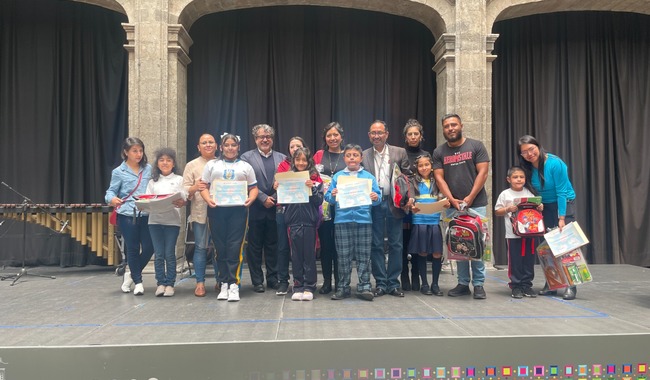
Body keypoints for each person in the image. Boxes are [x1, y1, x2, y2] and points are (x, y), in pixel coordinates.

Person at [432, 113, 490, 299]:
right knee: (459, 246)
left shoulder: (476, 146)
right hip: (452, 206)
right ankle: (463, 283)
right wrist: (452, 199)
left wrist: (470, 197)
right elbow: (439, 177)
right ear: (443, 129)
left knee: (478, 244)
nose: (451, 128)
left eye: (454, 125)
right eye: (447, 126)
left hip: (476, 204)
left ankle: (479, 284)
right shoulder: (439, 152)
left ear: (461, 125)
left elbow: (483, 172)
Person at [518, 135, 578, 300]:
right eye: (525, 152)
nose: (529, 154)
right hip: (543, 207)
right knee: (547, 247)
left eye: (531, 149)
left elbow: (561, 192)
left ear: (538, 146)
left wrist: (561, 218)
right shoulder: (527, 168)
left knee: (565, 246)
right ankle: (553, 283)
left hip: (563, 203)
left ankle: (571, 285)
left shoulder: (555, 163)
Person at [200, 133, 258, 302]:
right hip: (217, 210)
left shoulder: (245, 166)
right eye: (227, 145)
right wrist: (207, 199)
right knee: (220, 248)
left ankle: (234, 284)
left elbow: (253, 187)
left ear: (238, 147)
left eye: (234, 145)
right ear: (221, 147)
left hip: (238, 211)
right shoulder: (212, 165)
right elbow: (204, 186)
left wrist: (251, 198)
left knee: (235, 247)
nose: (230, 148)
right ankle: (223, 282)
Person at [324, 144, 382, 301]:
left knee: (364, 256)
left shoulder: (368, 177)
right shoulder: (337, 177)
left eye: (355, 155)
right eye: (348, 155)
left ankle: (364, 287)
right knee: (343, 256)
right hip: (342, 220)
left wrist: (376, 197)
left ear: (361, 158)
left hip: (364, 220)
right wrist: (333, 194)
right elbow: (328, 198)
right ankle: (343, 287)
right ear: (344, 158)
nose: (351, 158)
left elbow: (378, 198)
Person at [362, 120, 411, 298]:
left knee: (396, 244)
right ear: (369, 135)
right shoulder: (363, 154)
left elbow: (408, 177)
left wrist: (409, 197)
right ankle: (381, 283)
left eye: (380, 132)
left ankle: (393, 283)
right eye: (373, 133)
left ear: (386, 134)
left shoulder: (399, 152)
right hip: (374, 204)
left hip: (394, 202)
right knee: (375, 244)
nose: (376, 136)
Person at [240, 124, 287, 294]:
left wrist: (273, 198)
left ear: (272, 139)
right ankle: (257, 281)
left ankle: (273, 279)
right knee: (254, 247)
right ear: (255, 139)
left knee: (273, 246)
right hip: (255, 208)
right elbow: (245, 181)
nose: (265, 139)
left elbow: (286, 181)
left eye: (268, 136)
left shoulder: (283, 158)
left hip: (276, 208)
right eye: (261, 137)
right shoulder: (246, 158)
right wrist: (262, 198)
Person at [105, 137, 153, 296]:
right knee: (132, 248)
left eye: (140, 150)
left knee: (149, 247)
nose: (139, 154)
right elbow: (110, 192)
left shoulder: (149, 169)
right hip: (126, 214)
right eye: (134, 151)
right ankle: (138, 282)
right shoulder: (119, 172)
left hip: (146, 213)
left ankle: (131, 274)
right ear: (126, 152)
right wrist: (111, 199)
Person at [402, 154, 449, 296]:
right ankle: (425, 284)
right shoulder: (412, 182)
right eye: (421, 165)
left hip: (434, 221)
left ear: (432, 166)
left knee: (437, 253)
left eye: (427, 165)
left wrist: (445, 203)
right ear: (416, 167)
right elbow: (409, 203)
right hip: (420, 221)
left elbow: (443, 199)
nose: (424, 168)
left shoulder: (438, 182)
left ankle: (435, 284)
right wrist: (411, 207)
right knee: (422, 252)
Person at [282, 147, 323, 301]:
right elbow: (282, 201)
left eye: (304, 160)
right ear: (293, 161)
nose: (300, 162)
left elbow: (319, 201)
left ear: (309, 161)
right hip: (293, 223)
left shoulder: (315, 179)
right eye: (297, 160)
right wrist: (278, 189)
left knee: (309, 256)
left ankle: (309, 286)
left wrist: (311, 187)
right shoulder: (287, 178)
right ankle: (298, 286)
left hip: (309, 224)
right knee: (296, 256)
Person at [494, 166, 542, 299]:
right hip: (513, 234)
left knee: (528, 259)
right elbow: (497, 211)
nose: (519, 179)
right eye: (515, 177)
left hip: (530, 232)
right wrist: (508, 208)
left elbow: (536, 210)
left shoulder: (529, 192)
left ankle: (527, 285)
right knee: (515, 260)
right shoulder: (505, 194)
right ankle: (516, 286)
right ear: (508, 179)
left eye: (521, 177)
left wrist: (540, 207)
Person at [145, 148, 186, 297]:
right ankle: (160, 283)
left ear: (173, 163)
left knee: (170, 253)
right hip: (154, 221)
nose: (165, 163)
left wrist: (181, 201)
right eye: (162, 160)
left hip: (172, 222)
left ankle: (170, 283)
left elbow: (184, 198)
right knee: (159, 254)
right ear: (157, 163)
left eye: (168, 160)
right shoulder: (152, 181)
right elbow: (147, 200)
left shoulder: (179, 179)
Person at [182, 133, 219, 297]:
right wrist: (195, 187)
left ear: (217, 145)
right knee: (200, 248)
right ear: (198, 147)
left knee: (220, 249)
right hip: (200, 212)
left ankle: (221, 281)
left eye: (211, 142)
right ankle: (200, 283)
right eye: (204, 142)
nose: (208, 145)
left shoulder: (223, 163)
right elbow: (183, 191)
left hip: (221, 212)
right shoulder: (192, 165)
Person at [313, 122, 346, 294]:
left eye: (335, 135)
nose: (332, 138)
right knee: (326, 246)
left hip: (343, 207)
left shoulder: (348, 154)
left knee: (340, 246)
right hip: (324, 207)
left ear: (341, 136)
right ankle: (326, 281)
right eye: (329, 135)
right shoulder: (319, 155)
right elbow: (311, 175)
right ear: (325, 138)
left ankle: (341, 281)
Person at [274, 136, 308, 296]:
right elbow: (279, 186)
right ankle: (283, 281)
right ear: (289, 150)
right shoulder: (283, 165)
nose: (295, 149)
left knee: (302, 248)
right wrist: (277, 185)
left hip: (304, 213)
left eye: (298, 146)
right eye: (292, 146)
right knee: (283, 247)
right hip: (284, 210)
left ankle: (303, 281)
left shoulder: (307, 164)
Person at [401, 119, 429, 291]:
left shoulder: (427, 155)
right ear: (405, 137)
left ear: (420, 136)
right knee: (404, 243)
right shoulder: (399, 154)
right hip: (405, 207)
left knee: (420, 243)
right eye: (409, 134)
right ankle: (404, 275)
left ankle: (417, 276)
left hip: (422, 207)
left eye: (415, 134)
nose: (413, 137)